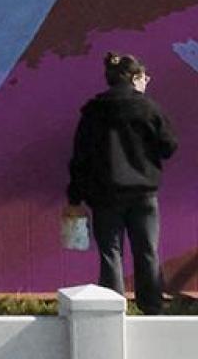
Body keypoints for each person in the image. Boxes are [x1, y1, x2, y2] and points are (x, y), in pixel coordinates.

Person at [67, 52, 178, 315]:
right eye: (145, 77)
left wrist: (75, 196)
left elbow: (81, 156)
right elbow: (169, 146)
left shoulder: (93, 111)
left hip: (104, 194)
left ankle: (111, 310)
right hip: (143, 194)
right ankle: (151, 307)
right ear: (136, 77)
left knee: (110, 253)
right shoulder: (149, 108)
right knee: (147, 251)